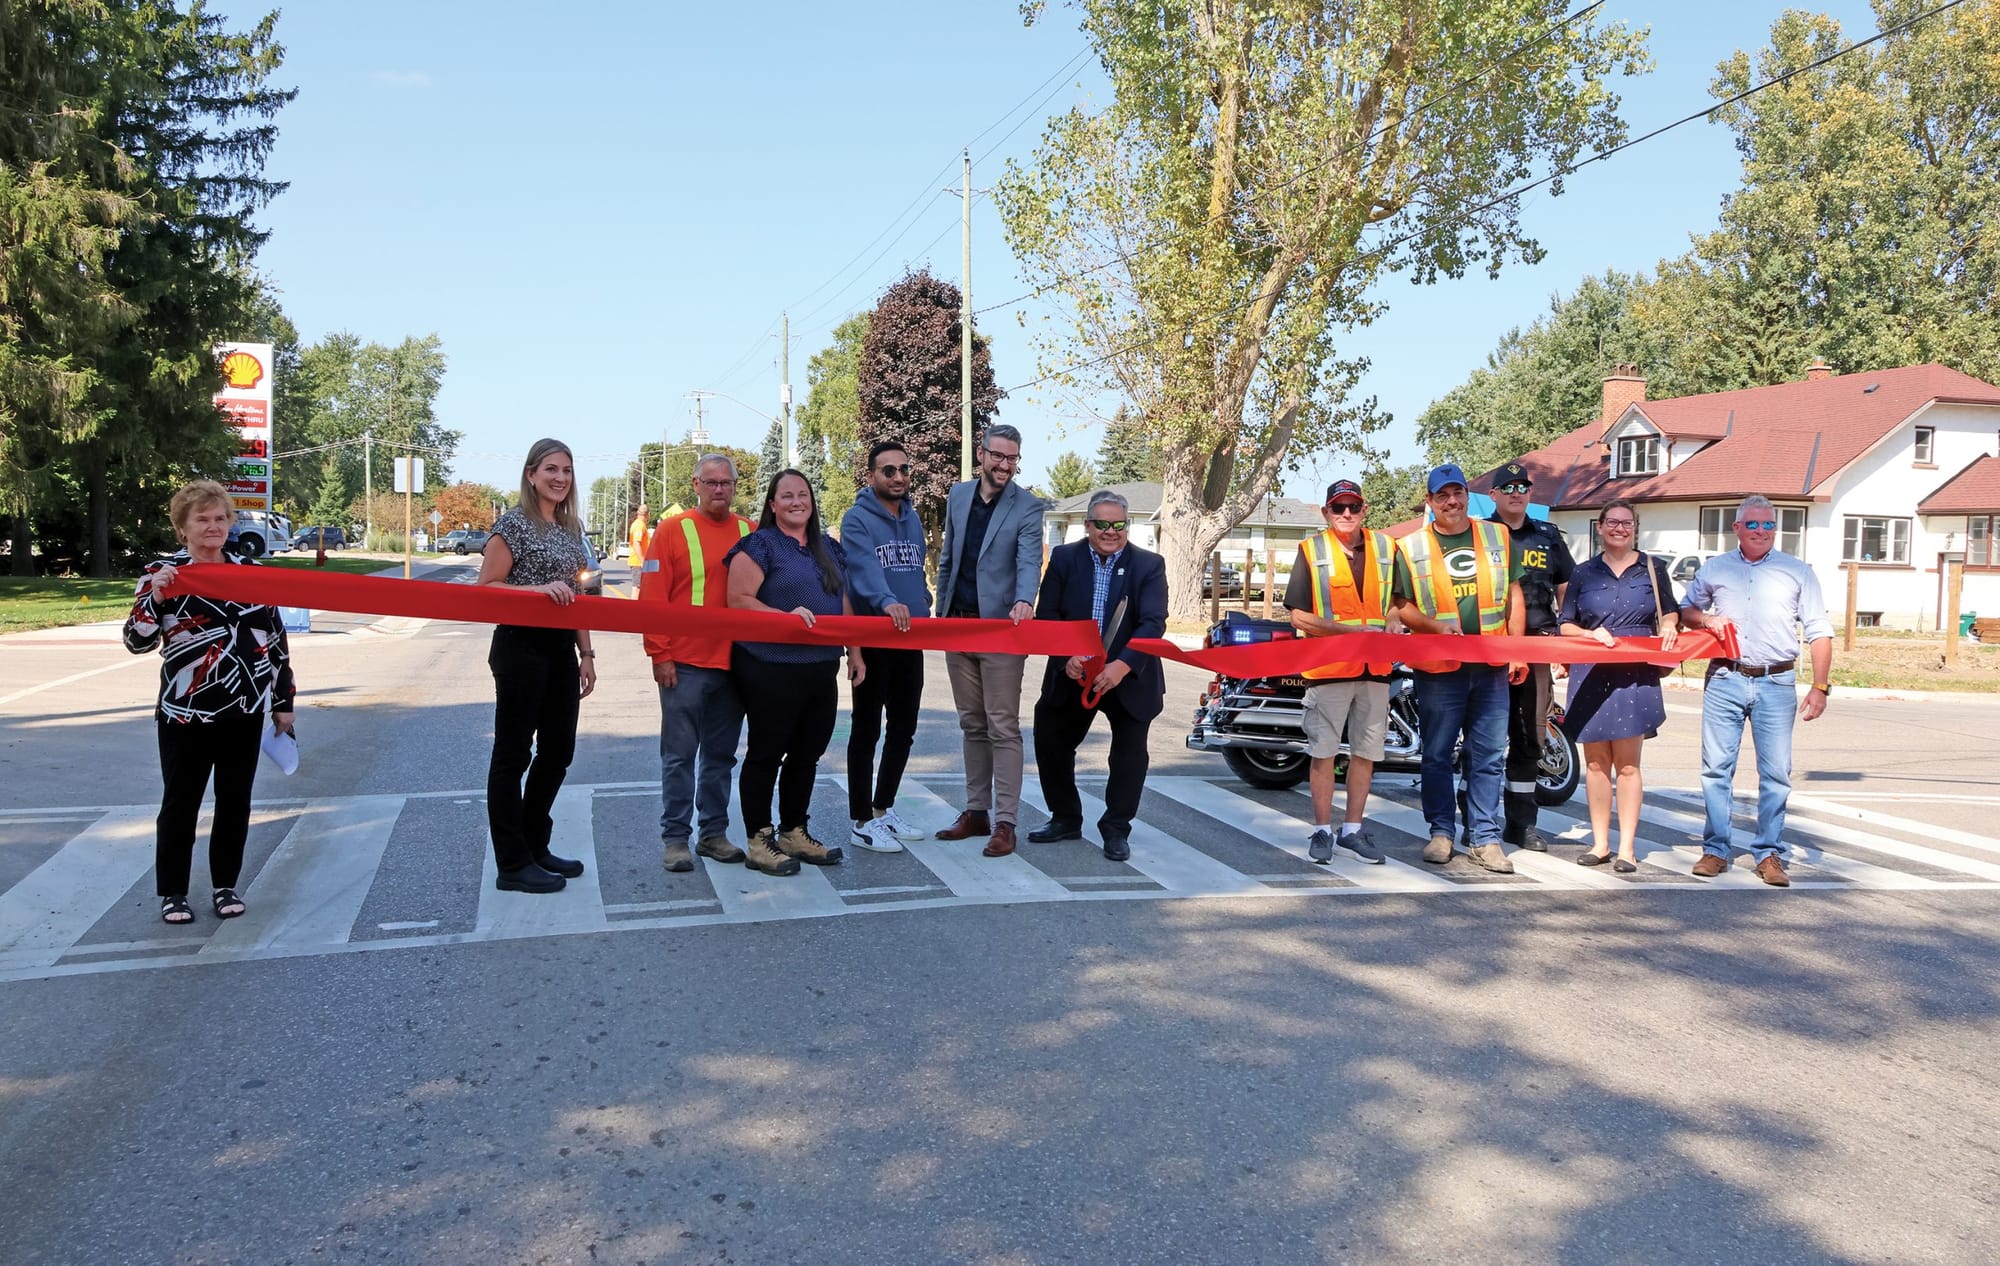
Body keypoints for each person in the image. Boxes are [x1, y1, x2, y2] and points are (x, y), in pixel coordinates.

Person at [123, 480, 296, 924]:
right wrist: (156, 597)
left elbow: (274, 642)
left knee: (235, 801)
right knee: (181, 802)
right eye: (202, 519)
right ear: (183, 528)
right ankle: (173, 893)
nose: (213, 526)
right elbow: (135, 642)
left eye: (220, 518)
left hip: (244, 707)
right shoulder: (164, 575)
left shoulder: (252, 574)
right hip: (185, 710)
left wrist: (283, 701)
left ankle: (225, 886)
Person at [1678, 494, 1834, 887]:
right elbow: (1685, 611)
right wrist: (1707, 619)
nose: (1761, 531)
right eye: (1752, 524)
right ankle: (1715, 849)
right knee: (1716, 769)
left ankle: (1769, 854)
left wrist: (1820, 686)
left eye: (1768, 525)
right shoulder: (1716, 568)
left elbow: (1819, 629)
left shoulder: (1797, 571)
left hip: (1777, 680)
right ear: (1737, 528)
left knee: (1776, 773)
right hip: (1726, 678)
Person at [724, 469, 864, 876]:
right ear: (772, 504)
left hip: (821, 666)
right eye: (787, 496)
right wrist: (783, 617)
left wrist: (855, 652)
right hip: (769, 665)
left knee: (808, 753)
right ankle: (759, 840)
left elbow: (845, 604)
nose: (796, 502)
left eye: (803, 494)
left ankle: (794, 831)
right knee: (767, 753)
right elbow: (738, 599)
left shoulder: (829, 549)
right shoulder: (758, 546)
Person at [1391, 463, 1528, 873]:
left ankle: (1485, 838)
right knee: (1436, 754)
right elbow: (1401, 606)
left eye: (1458, 493)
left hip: (1489, 665)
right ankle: (1440, 832)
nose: (1452, 501)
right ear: (1430, 502)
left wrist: (1517, 649)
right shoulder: (1410, 546)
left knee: (1487, 754)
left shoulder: (1497, 535)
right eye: (1442, 495)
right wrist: (1434, 627)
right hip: (1439, 667)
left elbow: (1514, 596)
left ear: (1468, 496)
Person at [478, 438, 596, 895]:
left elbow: (576, 595)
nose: (560, 478)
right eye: (551, 469)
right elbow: (486, 588)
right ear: (531, 474)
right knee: (512, 756)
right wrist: (537, 591)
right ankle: (512, 863)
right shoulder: (511, 524)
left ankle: (533, 844)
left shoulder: (571, 528)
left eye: (566, 470)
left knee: (558, 751)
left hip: (560, 651)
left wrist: (586, 654)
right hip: (519, 647)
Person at [1026, 491, 1169, 861]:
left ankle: (1116, 828)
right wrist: (1064, 657)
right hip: (1074, 673)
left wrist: (1122, 666)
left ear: (1127, 526)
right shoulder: (1063, 558)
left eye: (1119, 524)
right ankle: (1065, 817)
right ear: (1088, 525)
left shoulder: (1149, 564)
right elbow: (1048, 616)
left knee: (1129, 756)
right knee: (1051, 740)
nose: (1111, 531)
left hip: (1128, 674)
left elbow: (1153, 623)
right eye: (1102, 524)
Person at [931, 424, 1046, 858]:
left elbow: (1028, 560)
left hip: (1000, 629)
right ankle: (975, 813)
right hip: (956, 626)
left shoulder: (1028, 507)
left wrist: (1023, 600)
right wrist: (941, 613)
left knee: (1003, 727)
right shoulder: (958, 496)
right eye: (998, 456)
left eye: (1012, 458)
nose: (1004, 465)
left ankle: (1005, 822)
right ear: (981, 454)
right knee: (971, 725)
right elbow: (948, 558)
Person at [640, 455, 753, 873]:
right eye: (711, 482)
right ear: (696, 485)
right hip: (683, 665)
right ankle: (675, 839)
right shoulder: (671, 531)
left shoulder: (749, 531)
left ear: (735, 486)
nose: (719, 489)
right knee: (679, 756)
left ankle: (713, 834)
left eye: (727, 482)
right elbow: (651, 598)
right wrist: (660, 654)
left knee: (721, 757)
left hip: (734, 666)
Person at [1559, 499, 1678, 873]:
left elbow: (1670, 609)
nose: (1619, 528)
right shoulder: (1583, 572)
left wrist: (1671, 624)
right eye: (1612, 522)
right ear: (1600, 527)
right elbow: (1565, 624)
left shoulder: (1653, 568)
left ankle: (1626, 848)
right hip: (1591, 668)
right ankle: (1599, 844)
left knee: (1628, 765)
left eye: (1627, 523)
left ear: (1636, 527)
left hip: (1634, 674)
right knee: (1595, 763)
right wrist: (1589, 634)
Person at [1284, 478, 1396, 865]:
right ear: (1326, 512)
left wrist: (1394, 621)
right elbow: (1298, 615)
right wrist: (1351, 632)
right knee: (1324, 753)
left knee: (1366, 753)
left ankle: (1352, 829)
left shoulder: (1386, 547)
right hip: (1329, 668)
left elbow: (1398, 602)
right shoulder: (1312, 549)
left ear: (1365, 510)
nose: (1346, 514)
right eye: (1338, 508)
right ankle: (1321, 830)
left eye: (1353, 507)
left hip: (1375, 669)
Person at [839, 440, 931, 854]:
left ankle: (883, 809)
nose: (898, 477)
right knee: (866, 730)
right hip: (875, 638)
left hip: (911, 639)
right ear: (871, 475)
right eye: (888, 470)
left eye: (903, 470)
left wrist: (924, 607)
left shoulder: (912, 520)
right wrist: (885, 601)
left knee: (904, 730)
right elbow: (862, 569)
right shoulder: (856, 519)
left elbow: (915, 571)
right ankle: (861, 819)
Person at [1479, 461, 1574, 851]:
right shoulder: (1479, 535)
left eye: (1523, 487)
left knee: (1529, 737)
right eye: (1509, 487)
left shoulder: (1548, 536)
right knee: (1482, 737)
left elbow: (1566, 587)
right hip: (1488, 644)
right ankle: (1476, 819)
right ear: (1495, 496)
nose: (1517, 493)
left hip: (1536, 644)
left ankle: (1521, 823)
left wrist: (1564, 642)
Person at [626, 503, 651, 568]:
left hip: (639, 563)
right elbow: (636, 543)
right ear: (648, 514)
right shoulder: (639, 525)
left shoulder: (639, 524)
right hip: (638, 564)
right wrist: (642, 561)